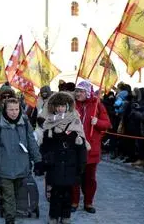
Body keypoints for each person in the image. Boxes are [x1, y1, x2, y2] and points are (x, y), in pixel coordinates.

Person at [0, 98, 42, 224]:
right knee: (8, 197)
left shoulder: (25, 124)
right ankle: (10, 220)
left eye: (16, 109)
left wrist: (38, 161)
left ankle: (11, 214)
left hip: (22, 167)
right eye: (11, 109)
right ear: (5, 110)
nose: (14, 112)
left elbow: (32, 143)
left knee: (16, 194)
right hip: (4, 168)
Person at [39, 92, 87, 224]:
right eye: (58, 106)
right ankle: (53, 216)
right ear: (54, 107)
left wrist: (82, 164)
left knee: (68, 193)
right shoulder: (49, 122)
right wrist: (42, 162)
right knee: (54, 193)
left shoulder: (75, 121)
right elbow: (44, 147)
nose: (60, 108)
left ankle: (66, 216)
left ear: (68, 107)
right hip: (55, 165)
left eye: (63, 106)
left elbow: (81, 146)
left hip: (71, 164)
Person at [71, 80, 111, 214]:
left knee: (90, 178)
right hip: (75, 147)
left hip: (91, 148)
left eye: (81, 91)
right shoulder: (72, 105)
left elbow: (107, 124)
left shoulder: (97, 104)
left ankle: (88, 202)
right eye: (77, 91)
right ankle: (74, 201)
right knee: (75, 176)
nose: (78, 94)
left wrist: (97, 122)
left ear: (87, 92)